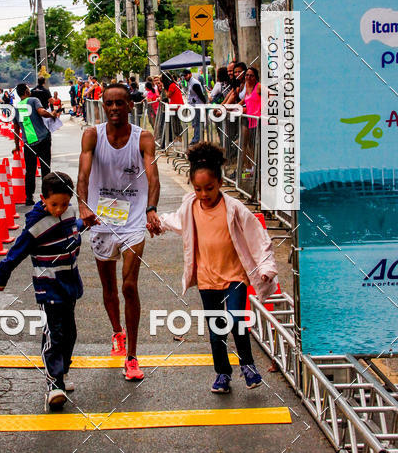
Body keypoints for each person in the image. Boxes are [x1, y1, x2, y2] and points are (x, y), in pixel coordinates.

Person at [154, 142, 278, 393]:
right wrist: (158, 223)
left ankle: (248, 366)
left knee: (235, 320)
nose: (203, 194)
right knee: (215, 330)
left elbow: (258, 237)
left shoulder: (234, 208)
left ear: (220, 183)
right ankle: (222, 373)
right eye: (198, 189)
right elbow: (176, 221)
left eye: (209, 188)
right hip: (206, 279)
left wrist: (266, 267)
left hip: (235, 277)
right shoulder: (190, 207)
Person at [77, 83, 160, 381]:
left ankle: (133, 356)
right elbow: (83, 175)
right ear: (102, 105)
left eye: (119, 103)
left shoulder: (143, 138)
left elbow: (153, 177)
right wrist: (84, 206)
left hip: (134, 217)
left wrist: (151, 209)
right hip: (101, 219)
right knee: (108, 286)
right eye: (109, 103)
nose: (114, 108)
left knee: (129, 286)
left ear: (130, 106)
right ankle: (117, 331)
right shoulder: (92, 135)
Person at [0, 172, 83, 409]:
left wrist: (86, 223)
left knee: (70, 332)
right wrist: (2, 274)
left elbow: (73, 228)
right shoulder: (36, 225)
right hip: (49, 287)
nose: (59, 209)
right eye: (54, 205)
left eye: (64, 204)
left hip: (70, 283)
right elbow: (16, 252)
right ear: (43, 199)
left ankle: (61, 373)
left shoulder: (70, 212)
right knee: (54, 333)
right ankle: (54, 383)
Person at [13, 83, 57, 206]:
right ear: (26, 91)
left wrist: (17, 146)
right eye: (28, 88)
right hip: (43, 138)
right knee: (45, 168)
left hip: (29, 142)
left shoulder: (16, 107)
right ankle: (47, 195)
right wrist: (52, 114)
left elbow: (16, 128)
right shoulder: (33, 100)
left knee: (30, 171)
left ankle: (29, 197)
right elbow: (42, 112)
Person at [182, 68, 208, 145]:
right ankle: (196, 138)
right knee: (195, 123)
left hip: (197, 106)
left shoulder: (194, 83)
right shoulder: (190, 82)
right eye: (184, 76)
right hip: (194, 106)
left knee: (197, 123)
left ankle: (196, 139)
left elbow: (201, 95)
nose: (185, 77)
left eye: (186, 75)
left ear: (190, 74)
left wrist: (205, 104)